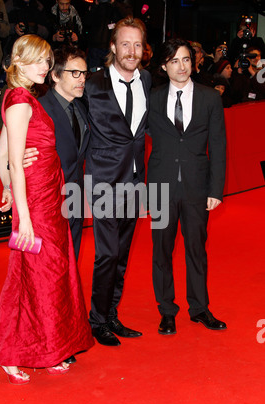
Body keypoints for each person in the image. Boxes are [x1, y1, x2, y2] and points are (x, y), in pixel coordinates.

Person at [0, 34, 94, 384]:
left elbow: (0, 154)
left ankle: (50, 350)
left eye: (47, 61)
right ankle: (11, 353)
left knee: (50, 278)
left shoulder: (24, 97)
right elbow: (15, 163)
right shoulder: (19, 101)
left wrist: (4, 184)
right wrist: (25, 218)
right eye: (36, 61)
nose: (44, 67)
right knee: (32, 278)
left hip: (50, 199)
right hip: (36, 203)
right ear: (17, 61)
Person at [147, 38, 227, 336]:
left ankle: (199, 308)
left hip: (197, 187)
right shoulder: (152, 98)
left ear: (193, 63)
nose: (181, 66)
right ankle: (167, 310)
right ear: (164, 66)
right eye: (174, 61)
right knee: (162, 251)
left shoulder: (210, 98)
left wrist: (215, 190)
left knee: (196, 249)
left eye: (185, 60)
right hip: (161, 187)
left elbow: (218, 146)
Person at [84, 16, 151, 346]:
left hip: (135, 180)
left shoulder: (148, 80)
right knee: (107, 253)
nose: (132, 50)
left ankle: (111, 315)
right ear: (113, 46)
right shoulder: (93, 84)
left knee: (122, 253)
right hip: (103, 180)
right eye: (125, 43)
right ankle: (96, 320)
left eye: (137, 44)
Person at [23, 46, 90, 261]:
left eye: (84, 73)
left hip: (76, 199)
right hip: (49, 204)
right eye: (75, 73)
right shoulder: (38, 109)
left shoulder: (81, 108)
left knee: (72, 262)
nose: (82, 79)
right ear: (55, 75)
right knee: (48, 266)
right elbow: (13, 153)